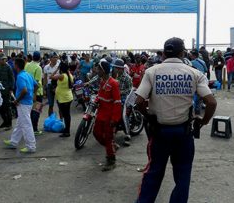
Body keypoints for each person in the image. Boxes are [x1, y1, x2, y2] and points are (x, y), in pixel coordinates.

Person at [135, 37, 217, 203]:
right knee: (183, 176)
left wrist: (149, 116)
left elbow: (138, 101)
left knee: (153, 173)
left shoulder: (152, 71)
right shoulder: (194, 73)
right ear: (183, 52)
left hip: (159, 132)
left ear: (164, 53)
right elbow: (211, 102)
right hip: (183, 134)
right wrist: (203, 121)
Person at [93, 60, 122, 172]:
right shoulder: (102, 82)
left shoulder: (114, 83)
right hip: (100, 114)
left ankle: (111, 160)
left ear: (104, 70)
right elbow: (100, 95)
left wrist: (115, 118)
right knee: (96, 134)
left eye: (99, 69)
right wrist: (96, 100)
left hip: (109, 116)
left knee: (108, 138)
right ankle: (112, 146)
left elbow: (117, 102)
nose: (97, 70)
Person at [4, 58, 38, 153]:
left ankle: (31, 146)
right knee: (20, 123)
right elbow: (36, 85)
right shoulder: (28, 74)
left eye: (14, 64)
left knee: (26, 125)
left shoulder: (20, 76)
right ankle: (14, 142)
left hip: (23, 103)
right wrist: (34, 95)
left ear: (16, 66)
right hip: (28, 102)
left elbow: (24, 90)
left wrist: (16, 100)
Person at [51, 62, 73, 137]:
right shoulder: (69, 75)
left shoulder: (62, 76)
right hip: (68, 97)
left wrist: (56, 69)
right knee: (67, 115)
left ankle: (67, 131)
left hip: (64, 99)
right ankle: (67, 129)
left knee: (66, 115)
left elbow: (51, 76)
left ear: (61, 69)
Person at [25, 51, 44, 136]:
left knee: (29, 111)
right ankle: (34, 129)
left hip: (27, 91)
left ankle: (29, 129)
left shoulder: (27, 65)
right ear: (39, 58)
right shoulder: (38, 68)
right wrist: (35, 94)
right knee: (36, 111)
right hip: (37, 93)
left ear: (32, 57)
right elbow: (36, 82)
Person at [0, 53, 15, 130]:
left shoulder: (8, 67)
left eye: (4, 59)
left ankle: (9, 123)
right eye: (2, 59)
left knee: (7, 107)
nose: (4, 60)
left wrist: (11, 89)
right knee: (0, 107)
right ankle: (5, 121)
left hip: (6, 89)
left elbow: (12, 78)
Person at [43, 52, 59, 116]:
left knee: (60, 104)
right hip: (49, 86)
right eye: (54, 57)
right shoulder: (46, 67)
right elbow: (45, 78)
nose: (55, 58)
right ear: (50, 58)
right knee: (50, 104)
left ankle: (61, 120)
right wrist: (44, 88)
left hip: (58, 86)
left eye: (56, 57)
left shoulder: (59, 66)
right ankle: (50, 119)